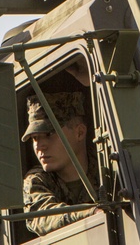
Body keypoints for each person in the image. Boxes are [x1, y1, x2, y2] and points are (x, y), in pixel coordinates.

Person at [21, 92, 101, 236]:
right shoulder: (36, 181)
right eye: (34, 138)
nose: (40, 146)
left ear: (80, 133)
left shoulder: (106, 168)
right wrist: (92, 213)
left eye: (49, 134)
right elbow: (44, 217)